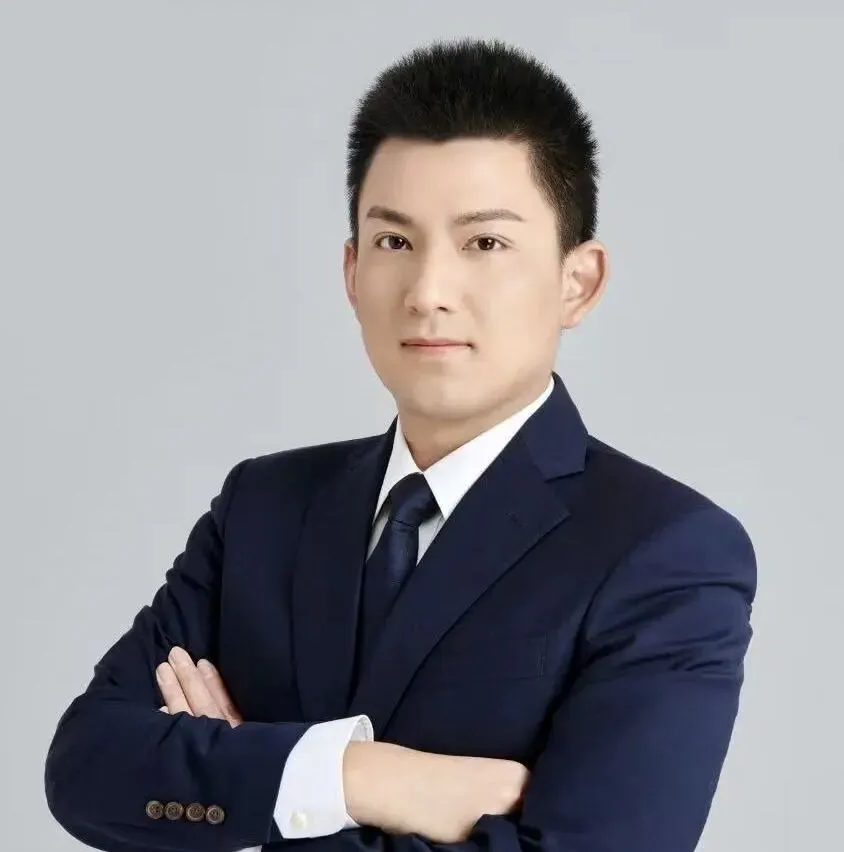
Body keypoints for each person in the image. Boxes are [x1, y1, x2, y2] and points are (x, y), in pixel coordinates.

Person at [44, 37, 757, 852]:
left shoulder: (666, 552)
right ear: (351, 272)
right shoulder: (262, 509)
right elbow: (86, 768)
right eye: (394, 242)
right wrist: (363, 778)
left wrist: (259, 786)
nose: (427, 292)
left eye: (484, 243)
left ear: (578, 281)